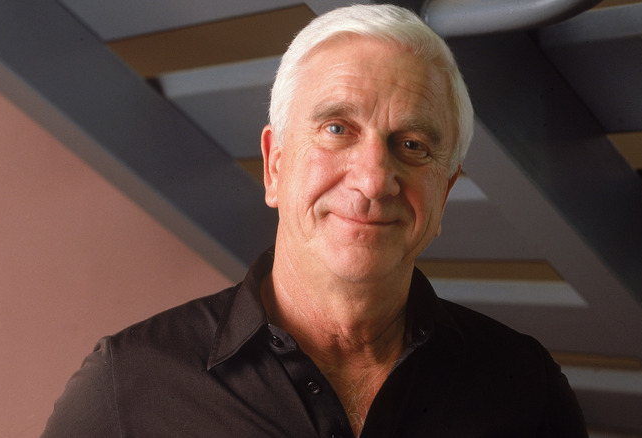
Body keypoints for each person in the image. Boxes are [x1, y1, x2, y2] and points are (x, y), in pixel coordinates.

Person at [42, 4, 587, 437]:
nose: (374, 180)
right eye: (337, 129)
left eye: (413, 144)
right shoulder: (129, 386)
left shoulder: (525, 389)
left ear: (444, 193)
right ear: (275, 165)